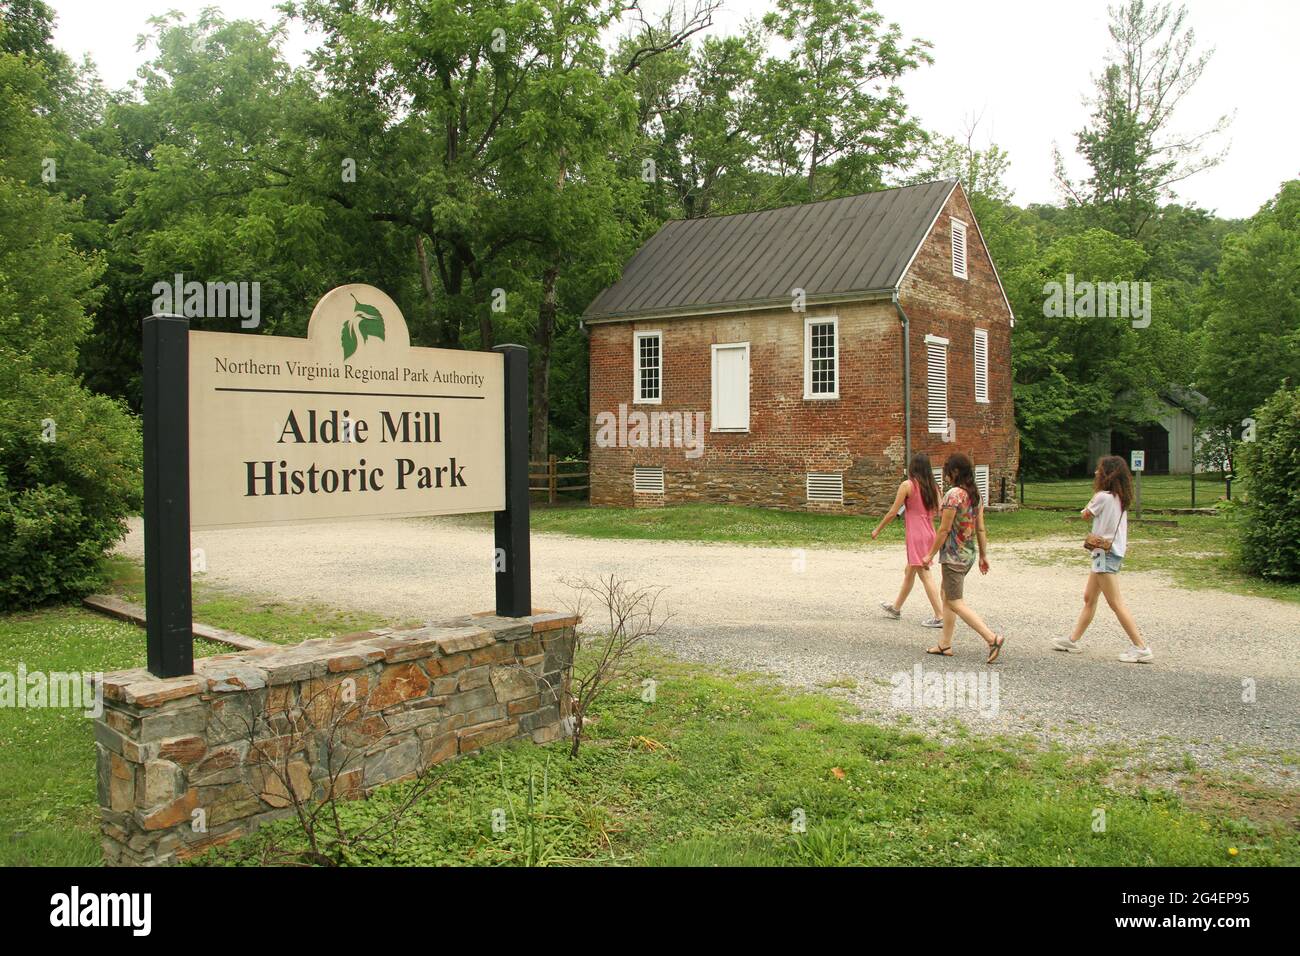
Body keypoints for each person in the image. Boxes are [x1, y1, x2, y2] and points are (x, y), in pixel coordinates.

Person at [1053, 456, 1153, 662]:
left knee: (1115, 603)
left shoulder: (1103, 496)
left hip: (1103, 554)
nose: (1096, 473)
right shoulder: (1120, 497)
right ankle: (1073, 640)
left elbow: (1085, 515)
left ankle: (1141, 647)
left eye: (1099, 470)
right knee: (1089, 597)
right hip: (1108, 552)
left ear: (1107, 473)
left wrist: (1094, 496)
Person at [921, 453, 1005, 663]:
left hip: (953, 556)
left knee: (955, 601)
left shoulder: (954, 495)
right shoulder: (974, 495)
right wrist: (983, 555)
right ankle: (945, 644)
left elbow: (944, 529)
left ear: (955, 472)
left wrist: (929, 554)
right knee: (946, 595)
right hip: (968, 554)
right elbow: (981, 529)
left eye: (948, 471)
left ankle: (991, 638)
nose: (946, 476)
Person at [871, 453, 944, 628]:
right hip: (929, 532)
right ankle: (896, 608)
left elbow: (892, 512)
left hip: (916, 534)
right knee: (909, 570)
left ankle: (940, 616)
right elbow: (941, 511)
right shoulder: (934, 486)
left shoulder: (907, 485)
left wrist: (878, 529)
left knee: (924, 573)